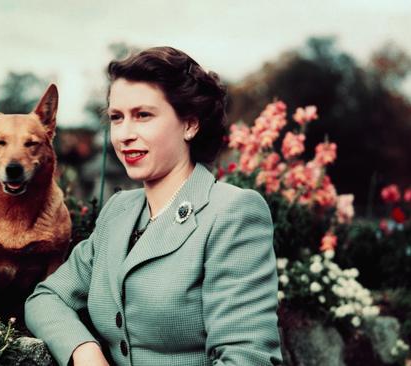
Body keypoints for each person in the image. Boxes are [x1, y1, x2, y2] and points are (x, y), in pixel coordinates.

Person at [25, 46, 282, 366]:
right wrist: (84, 350)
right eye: (117, 118)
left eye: (143, 115)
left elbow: (247, 358)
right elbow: (46, 298)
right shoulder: (118, 211)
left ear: (190, 124)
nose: (125, 135)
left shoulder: (233, 213)